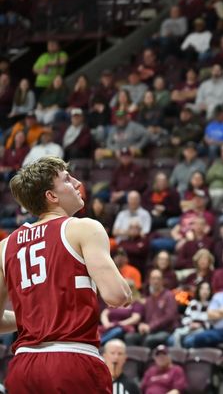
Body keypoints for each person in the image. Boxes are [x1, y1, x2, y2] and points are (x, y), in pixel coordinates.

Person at [4, 156, 132, 392]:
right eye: (66, 179)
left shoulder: (6, 246)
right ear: (51, 196)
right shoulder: (84, 227)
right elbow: (116, 295)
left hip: (23, 366)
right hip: (72, 360)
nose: (76, 182)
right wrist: (127, 290)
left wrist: (36, 316)